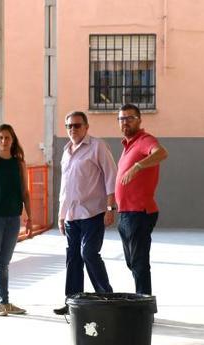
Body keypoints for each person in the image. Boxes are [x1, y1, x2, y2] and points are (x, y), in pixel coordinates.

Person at [53, 111, 118, 315]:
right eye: (69, 126)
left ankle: (106, 296)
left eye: (77, 125)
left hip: (93, 212)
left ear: (86, 127)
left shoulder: (97, 146)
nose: (73, 129)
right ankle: (73, 301)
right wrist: (61, 215)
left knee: (88, 253)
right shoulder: (66, 151)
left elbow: (111, 176)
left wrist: (110, 207)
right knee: (73, 258)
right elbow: (65, 187)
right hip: (72, 215)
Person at [0, 124, 33, 316]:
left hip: (13, 218)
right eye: (0, 138)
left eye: (7, 138)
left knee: (4, 263)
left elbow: (25, 192)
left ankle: (5, 302)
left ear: (13, 140)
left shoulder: (19, 163)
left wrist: (30, 217)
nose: (3, 141)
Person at [115, 103, 168, 296]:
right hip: (125, 213)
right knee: (132, 262)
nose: (125, 122)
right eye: (121, 119)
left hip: (139, 212)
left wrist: (138, 166)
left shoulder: (145, 140)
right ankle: (143, 300)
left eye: (130, 118)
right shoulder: (127, 145)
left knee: (139, 262)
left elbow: (161, 153)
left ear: (139, 120)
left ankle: (143, 306)